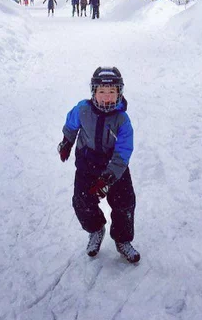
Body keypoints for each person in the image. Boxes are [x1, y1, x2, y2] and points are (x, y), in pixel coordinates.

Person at [58, 67, 140, 263]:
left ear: (119, 93)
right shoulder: (82, 110)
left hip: (115, 169)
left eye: (112, 92)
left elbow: (123, 152)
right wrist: (67, 142)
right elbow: (71, 125)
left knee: (125, 204)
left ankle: (122, 240)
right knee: (82, 201)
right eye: (102, 92)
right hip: (87, 165)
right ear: (93, 92)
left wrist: (109, 177)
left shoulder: (122, 120)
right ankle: (96, 229)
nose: (106, 98)